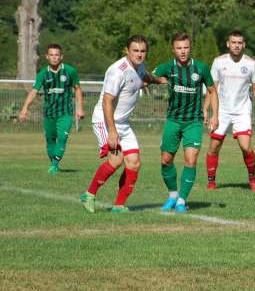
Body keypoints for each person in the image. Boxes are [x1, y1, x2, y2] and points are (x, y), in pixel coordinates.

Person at [80, 36, 160, 213]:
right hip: (106, 121)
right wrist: (112, 132)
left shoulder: (139, 67)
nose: (139, 55)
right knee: (116, 160)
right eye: (135, 51)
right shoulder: (118, 71)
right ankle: (89, 194)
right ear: (127, 51)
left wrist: (158, 80)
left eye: (142, 51)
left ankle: (118, 205)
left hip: (123, 123)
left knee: (134, 163)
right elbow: (107, 101)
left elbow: (144, 76)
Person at [153, 32, 218, 213]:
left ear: (190, 48)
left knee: (191, 159)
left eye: (186, 47)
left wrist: (215, 115)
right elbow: (148, 78)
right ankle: (173, 194)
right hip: (173, 120)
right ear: (173, 49)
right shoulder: (167, 67)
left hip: (194, 121)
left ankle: (182, 199)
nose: (183, 51)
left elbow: (212, 91)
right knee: (166, 160)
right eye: (179, 48)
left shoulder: (201, 68)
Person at [206, 30, 255, 192]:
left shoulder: (251, 64)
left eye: (240, 43)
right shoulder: (218, 62)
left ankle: (252, 179)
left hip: (242, 111)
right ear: (228, 44)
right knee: (214, 146)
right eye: (233, 42)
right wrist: (207, 111)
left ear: (244, 45)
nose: (236, 45)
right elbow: (212, 89)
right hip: (222, 111)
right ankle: (211, 181)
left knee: (246, 147)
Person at [18, 44, 84, 175]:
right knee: (50, 140)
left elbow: (77, 89)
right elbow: (34, 91)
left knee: (62, 137)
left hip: (65, 112)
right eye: (52, 55)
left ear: (61, 56)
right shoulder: (43, 73)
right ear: (47, 57)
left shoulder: (70, 71)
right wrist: (24, 108)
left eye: (57, 55)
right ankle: (54, 163)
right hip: (49, 113)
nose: (54, 57)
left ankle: (54, 165)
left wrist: (80, 108)